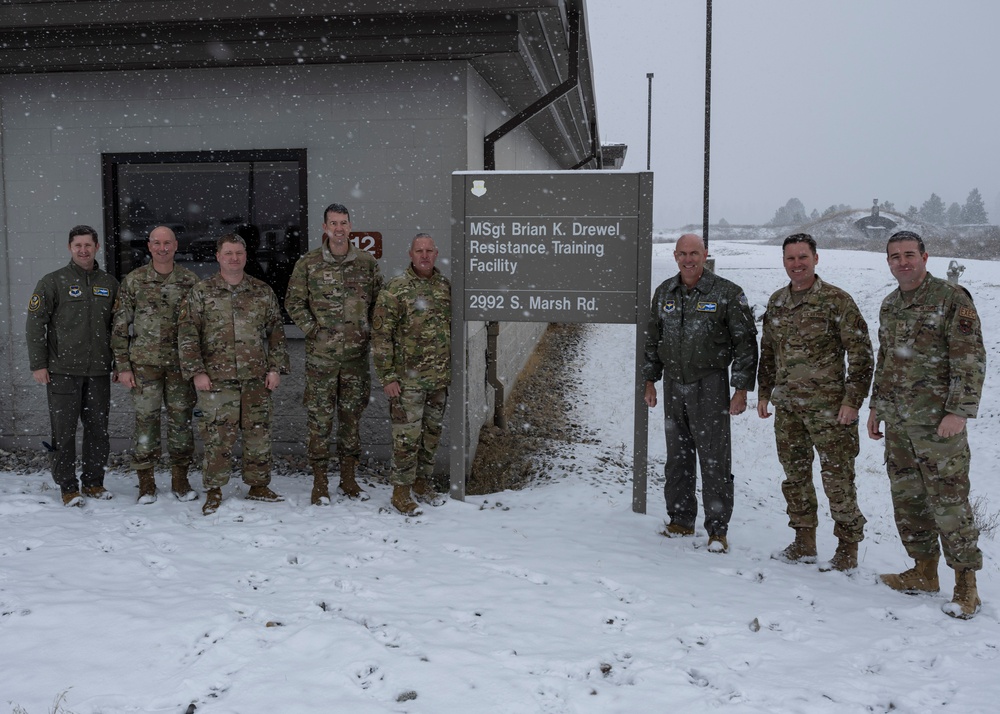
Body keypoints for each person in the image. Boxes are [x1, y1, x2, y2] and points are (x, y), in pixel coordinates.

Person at [867, 231, 986, 619]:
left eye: (909, 255)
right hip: (900, 423)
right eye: (895, 256)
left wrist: (959, 411)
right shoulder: (890, 305)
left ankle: (966, 583)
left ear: (925, 256)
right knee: (908, 500)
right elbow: (885, 361)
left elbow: (969, 360)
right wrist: (876, 407)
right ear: (888, 262)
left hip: (938, 425)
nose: (902, 262)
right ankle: (923, 571)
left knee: (949, 502)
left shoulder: (952, 300)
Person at [757, 234, 873, 570]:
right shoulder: (777, 302)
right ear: (784, 262)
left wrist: (852, 402)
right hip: (789, 409)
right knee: (794, 477)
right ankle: (804, 540)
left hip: (831, 412)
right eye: (790, 258)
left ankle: (847, 548)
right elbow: (769, 352)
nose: (797, 264)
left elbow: (861, 355)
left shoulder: (837, 301)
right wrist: (764, 393)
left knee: (837, 479)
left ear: (816, 259)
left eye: (803, 257)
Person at [642, 233, 758, 553]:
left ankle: (717, 529)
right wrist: (650, 380)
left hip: (710, 384)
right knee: (677, 457)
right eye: (683, 254)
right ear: (675, 255)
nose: (689, 259)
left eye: (695, 253)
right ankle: (680, 519)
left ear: (705, 254)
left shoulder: (727, 293)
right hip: (673, 386)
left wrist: (741, 389)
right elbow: (653, 339)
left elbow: (746, 343)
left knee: (713, 458)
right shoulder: (665, 291)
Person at [178, 233, 290, 515]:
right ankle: (214, 490)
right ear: (218, 257)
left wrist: (275, 368)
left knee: (258, 435)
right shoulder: (201, 292)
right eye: (228, 253)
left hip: (255, 378)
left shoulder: (261, 291)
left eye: (239, 253)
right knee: (217, 437)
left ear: (245, 256)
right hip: (216, 381)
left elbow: (276, 333)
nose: (234, 258)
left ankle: (258, 485)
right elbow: (188, 334)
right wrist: (196, 372)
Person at [285, 203, 384, 505]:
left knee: (351, 420)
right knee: (319, 422)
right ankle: (319, 483)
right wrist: (313, 330)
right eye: (333, 223)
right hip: (321, 362)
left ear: (350, 226)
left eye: (343, 223)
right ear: (325, 228)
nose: (339, 228)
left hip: (355, 361)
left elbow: (379, 306)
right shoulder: (309, 263)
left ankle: (349, 480)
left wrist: (371, 333)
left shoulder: (366, 263)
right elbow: (293, 302)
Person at [25, 225, 119, 506]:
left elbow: (119, 328)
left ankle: (93, 483)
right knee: (63, 432)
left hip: (99, 372)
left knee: (98, 431)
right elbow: (35, 324)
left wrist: (119, 363)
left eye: (88, 245)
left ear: (97, 247)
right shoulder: (53, 281)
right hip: (62, 372)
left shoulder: (110, 284)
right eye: (77, 245)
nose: (83, 250)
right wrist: (38, 364)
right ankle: (68, 486)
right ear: (70, 248)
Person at [111, 226, 200, 503]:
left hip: (180, 366)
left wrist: (198, 366)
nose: (162, 248)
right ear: (149, 246)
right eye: (157, 243)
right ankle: (146, 484)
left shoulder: (190, 281)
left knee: (181, 423)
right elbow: (120, 325)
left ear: (176, 246)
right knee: (145, 423)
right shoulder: (134, 281)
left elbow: (200, 326)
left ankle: (180, 480)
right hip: (144, 366)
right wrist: (123, 365)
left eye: (168, 243)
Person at [372, 233, 451, 515]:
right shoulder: (396, 289)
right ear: (410, 254)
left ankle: (421, 483)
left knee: (430, 435)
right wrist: (388, 376)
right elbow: (381, 335)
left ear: (437, 253)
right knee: (406, 438)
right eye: (420, 250)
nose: (425, 255)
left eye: (430, 250)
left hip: (438, 380)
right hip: (407, 382)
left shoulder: (444, 286)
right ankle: (400, 492)